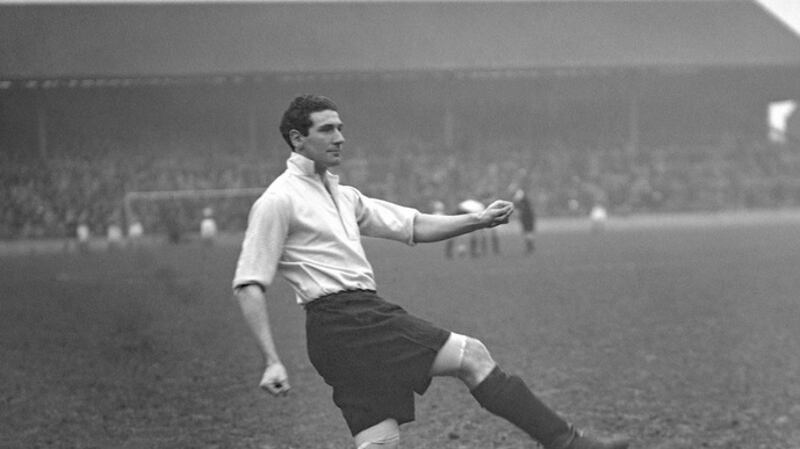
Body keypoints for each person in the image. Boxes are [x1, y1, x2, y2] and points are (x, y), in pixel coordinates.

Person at [232, 95, 629, 449]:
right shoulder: (278, 200)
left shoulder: (343, 194)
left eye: (340, 128)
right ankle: (566, 442)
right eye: (327, 129)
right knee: (472, 356)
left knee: (380, 442)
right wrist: (271, 359)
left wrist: (478, 220)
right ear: (297, 139)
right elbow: (249, 283)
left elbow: (414, 226)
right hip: (349, 320)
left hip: (339, 335)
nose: (340, 137)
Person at [512, 188, 537, 254]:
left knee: (527, 232)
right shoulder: (526, 204)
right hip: (527, 218)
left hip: (526, 218)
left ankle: (530, 247)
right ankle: (530, 246)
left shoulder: (523, 205)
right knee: (528, 232)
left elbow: (518, 211)